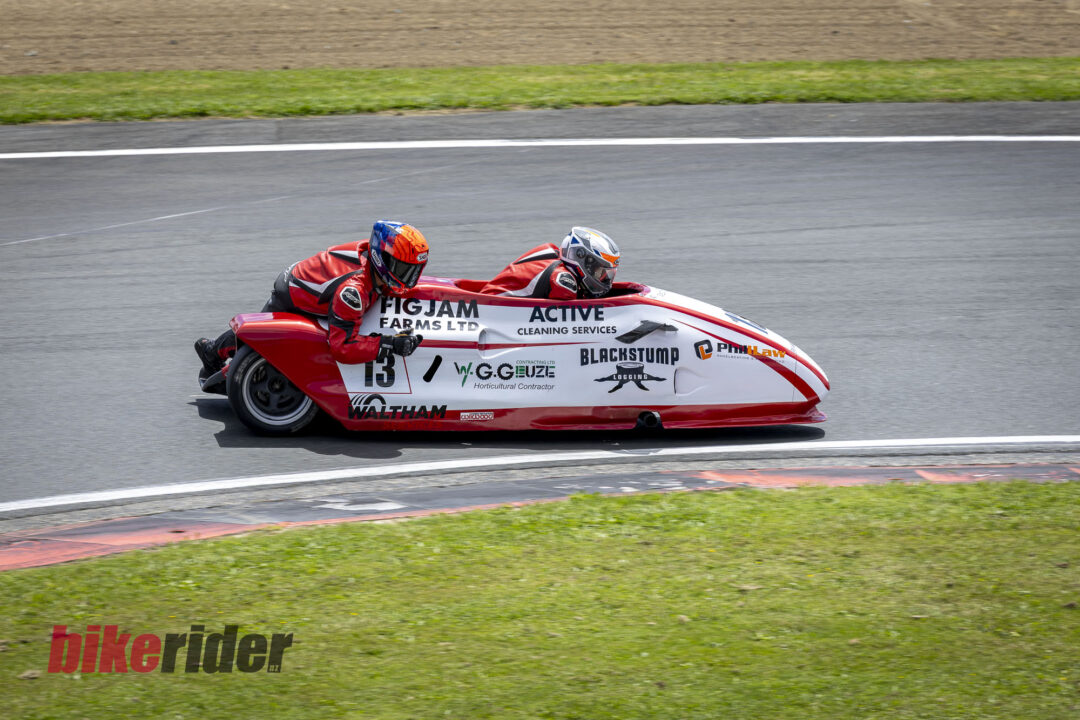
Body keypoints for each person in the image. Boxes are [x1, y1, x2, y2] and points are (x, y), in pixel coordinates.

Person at [194, 220, 428, 383]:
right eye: (404, 269)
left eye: (414, 271)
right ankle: (212, 349)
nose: (410, 279)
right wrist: (389, 344)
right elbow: (342, 347)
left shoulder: (374, 263)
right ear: (381, 258)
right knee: (261, 346)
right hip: (295, 294)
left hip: (318, 279)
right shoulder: (353, 293)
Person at [481, 226, 621, 299]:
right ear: (583, 261)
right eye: (600, 272)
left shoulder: (553, 256)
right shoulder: (564, 281)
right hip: (489, 310)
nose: (604, 279)